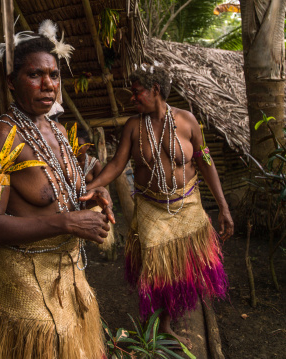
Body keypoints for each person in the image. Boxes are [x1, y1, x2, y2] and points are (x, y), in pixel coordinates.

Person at [0, 20, 114, 359]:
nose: (48, 84)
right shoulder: (0, 137)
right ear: (11, 82)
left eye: (54, 75)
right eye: (35, 75)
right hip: (25, 285)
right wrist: (67, 223)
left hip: (69, 275)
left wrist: (95, 196)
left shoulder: (56, 131)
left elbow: (66, 191)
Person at [83, 64, 233, 348]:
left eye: (137, 92)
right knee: (155, 270)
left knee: (182, 269)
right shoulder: (133, 126)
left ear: (156, 90)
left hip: (187, 204)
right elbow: (117, 164)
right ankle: (158, 327)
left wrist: (224, 207)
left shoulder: (187, 121)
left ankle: (170, 321)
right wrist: (90, 187)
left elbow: (206, 162)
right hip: (152, 207)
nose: (132, 98)